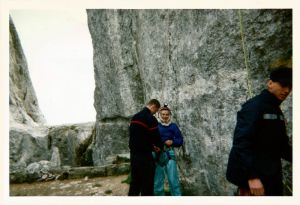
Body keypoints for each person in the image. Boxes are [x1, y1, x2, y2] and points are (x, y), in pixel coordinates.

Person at [226, 66, 292, 196]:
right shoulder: (254, 106)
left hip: (270, 176)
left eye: (290, 87)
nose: (287, 90)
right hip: (254, 181)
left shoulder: (276, 110)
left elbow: (282, 146)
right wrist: (252, 177)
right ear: (270, 83)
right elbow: (241, 143)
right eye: (284, 84)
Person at [128, 99, 163, 196]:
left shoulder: (135, 117)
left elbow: (138, 137)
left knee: (135, 182)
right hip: (145, 156)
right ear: (153, 106)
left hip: (134, 155)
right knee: (147, 184)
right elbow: (155, 137)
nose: (155, 113)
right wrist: (159, 147)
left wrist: (151, 146)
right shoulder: (150, 119)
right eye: (156, 111)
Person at [153, 104, 183, 196]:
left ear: (169, 115)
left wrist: (172, 142)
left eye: (167, 114)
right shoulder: (155, 126)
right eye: (163, 114)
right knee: (157, 183)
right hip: (157, 154)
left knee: (174, 181)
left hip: (169, 154)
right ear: (159, 115)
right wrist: (164, 141)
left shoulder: (173, 126)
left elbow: (180, 140)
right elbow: (152, 138)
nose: (165, 116)